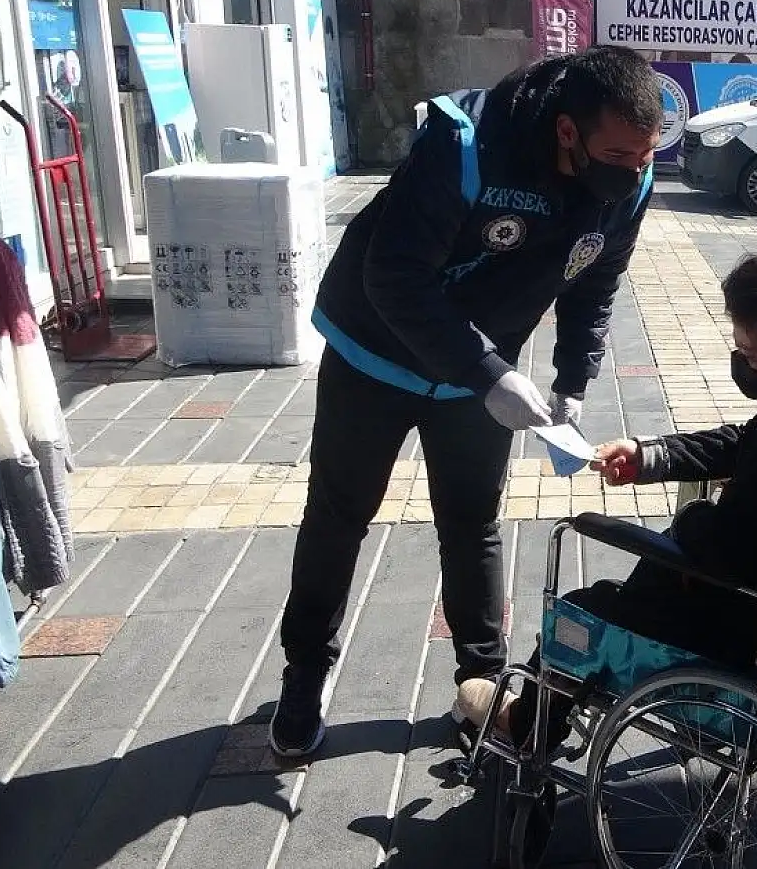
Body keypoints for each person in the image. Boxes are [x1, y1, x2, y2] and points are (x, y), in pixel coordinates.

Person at [269, 47, 662, 758]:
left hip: (478, 374)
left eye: (644, 155)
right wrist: (488, 373)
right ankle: (305, 672)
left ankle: (481, 682)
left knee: (472, 520)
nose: (633, 170)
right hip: (375, 350)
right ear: (568, 130)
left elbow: (593, 281)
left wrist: (572, 379)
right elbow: (394, 277)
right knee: (338, 513)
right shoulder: (468, 143)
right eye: (619, 154)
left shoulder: (630, 181)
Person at [452, 225, 757, 740]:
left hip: (729, 629)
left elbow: (721, 543)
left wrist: (690, 517)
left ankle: (526, 724)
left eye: (752, 355)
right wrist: (654, 457)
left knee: (586, 606)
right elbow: (746, 440)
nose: (743, 363)